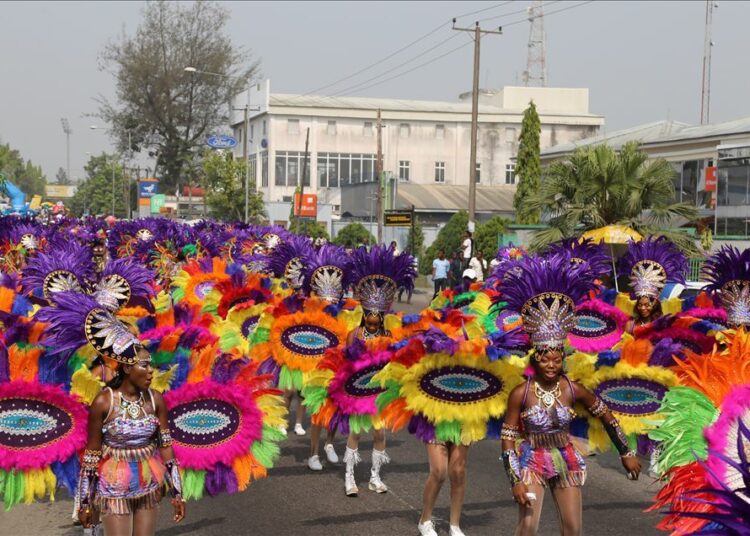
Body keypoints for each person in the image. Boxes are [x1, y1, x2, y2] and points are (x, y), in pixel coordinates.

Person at [500, 254, 640, 536]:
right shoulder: (521, 393)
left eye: (556, 359)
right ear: (535, 359)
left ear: (562, 357)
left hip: (566, 457)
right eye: (545, 360)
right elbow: (507, 441)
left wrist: (626, 451)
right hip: (531, 461)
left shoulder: (572, 388)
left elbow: (606, 415)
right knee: (528, 527)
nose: (551, 366)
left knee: (573, 530)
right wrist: (515, 480)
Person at [42, 295, 185, 536]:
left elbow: (167, 449)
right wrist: (85, 502)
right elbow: (92, 454)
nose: (150, 371)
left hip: (148, 482)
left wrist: (177, 493)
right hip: (113, 484)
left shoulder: (155, 399)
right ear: (127, 368)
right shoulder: (104, 402)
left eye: (150, 365)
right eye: (144, 366)